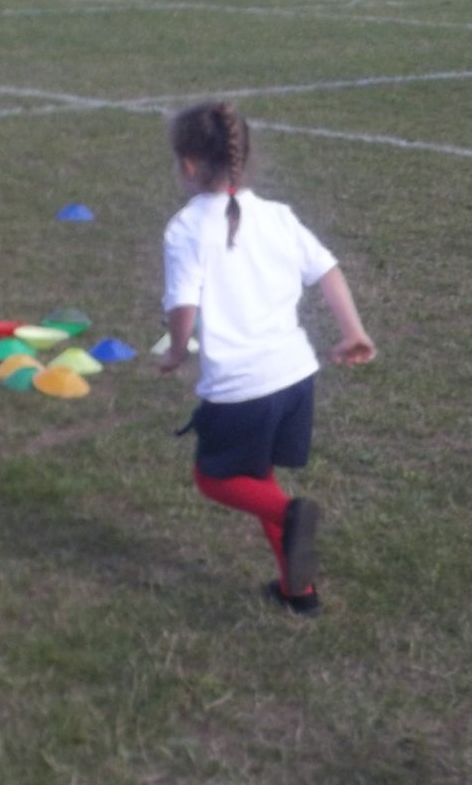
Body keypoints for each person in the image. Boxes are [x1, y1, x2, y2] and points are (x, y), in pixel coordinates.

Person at [158, 102, 375, 616]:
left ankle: (292, 515)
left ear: (188, 165)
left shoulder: (185, 228)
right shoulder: (277, 215)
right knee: (258, 479)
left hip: (242, 387)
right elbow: (328, 270)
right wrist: (354, 332)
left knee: (216, 480)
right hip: (295, 378)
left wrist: (173, 353)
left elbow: (182, 307)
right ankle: (298, 592)